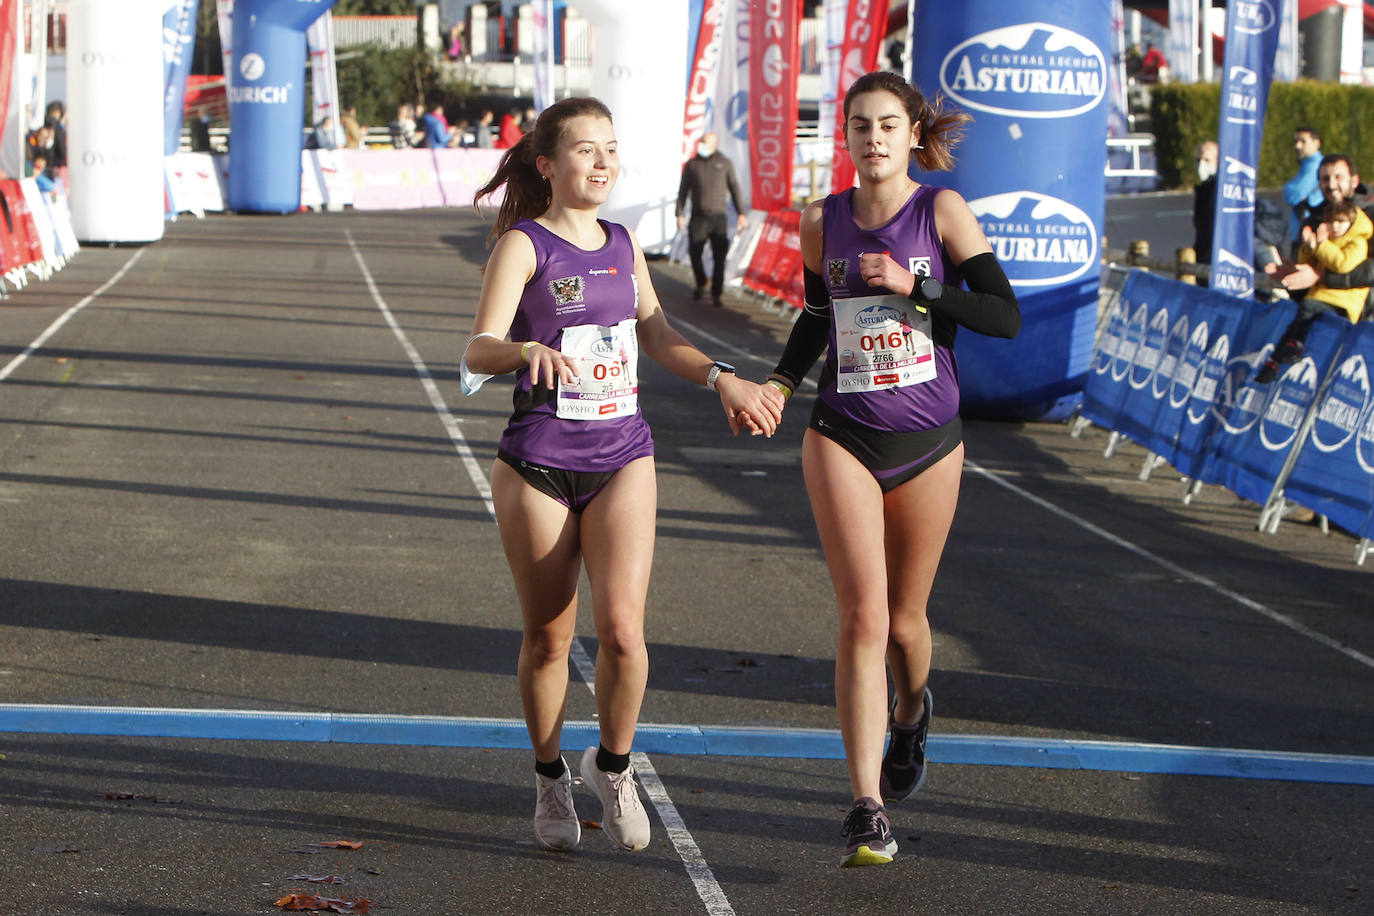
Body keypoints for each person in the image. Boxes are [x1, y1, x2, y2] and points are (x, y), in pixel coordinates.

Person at [460, 97, 782, 853]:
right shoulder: (525, 246)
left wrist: (724, 378)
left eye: (611, 148)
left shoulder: (622, 243)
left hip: (622, 456)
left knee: (627, 636)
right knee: (547, 638)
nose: (602, 162)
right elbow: (476, 349)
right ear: (547, 164)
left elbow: (661, 335)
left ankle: (613, 765)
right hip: (539, 462)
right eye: (584, 150)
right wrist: (521, 352)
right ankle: (548, 778)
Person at [761, 70, 1019, 867]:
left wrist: (920, 287)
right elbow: (814, 318)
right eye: (858, 126)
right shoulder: (822, 221)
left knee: (906, 623)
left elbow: (1003, 316)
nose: (871, 138)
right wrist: (777, 383)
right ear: (844, 137)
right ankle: (866, 805)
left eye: (885, 125)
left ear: (912, 133)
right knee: (862, 618)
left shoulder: (938, 211)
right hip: (841, 431)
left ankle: (912, 712)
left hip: (929, 441)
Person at [1258, 197, 1371, 382]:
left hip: (1342, 303)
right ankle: (1275, 360)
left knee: (1309, 307)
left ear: (1351, 223)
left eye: (1340, 221)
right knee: (1299, 317)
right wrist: (1308, 249)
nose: (1335, 226)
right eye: (1331, 221)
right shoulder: (1328, 242)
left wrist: (1321, 245)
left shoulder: (1357, 243)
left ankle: (1297, 345)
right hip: (1322, 297)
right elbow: (1309, 265)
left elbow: (1342, 264)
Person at [676, 132, 747, 307]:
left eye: (706, 143)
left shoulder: (724, 163)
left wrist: (741, 213)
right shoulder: (692, 164)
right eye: (701, 142)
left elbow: (735, 189)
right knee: (695, 253)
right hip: (698, 217)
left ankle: (717, 292)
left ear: (715, 144)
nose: (703, 145)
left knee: (719, 257)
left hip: (718, 217)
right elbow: (683, 191)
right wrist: (679, 213)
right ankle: (701, 281)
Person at [1284, 127, 1324, 251]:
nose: (1298, 146)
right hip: (1302, 232)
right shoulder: (1306, 167)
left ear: (1316, 143)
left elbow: (1293, 194)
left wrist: (1288, 188)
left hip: (1308, 233)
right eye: (1296, 141)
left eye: (1303, 141)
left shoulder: (1315, 167)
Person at [1192, 140, 1218, 264]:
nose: (1201, 165)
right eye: (1198, 160)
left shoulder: (1218, 190)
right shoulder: (1203, 189)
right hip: (1204, 254)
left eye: (1207, 160)